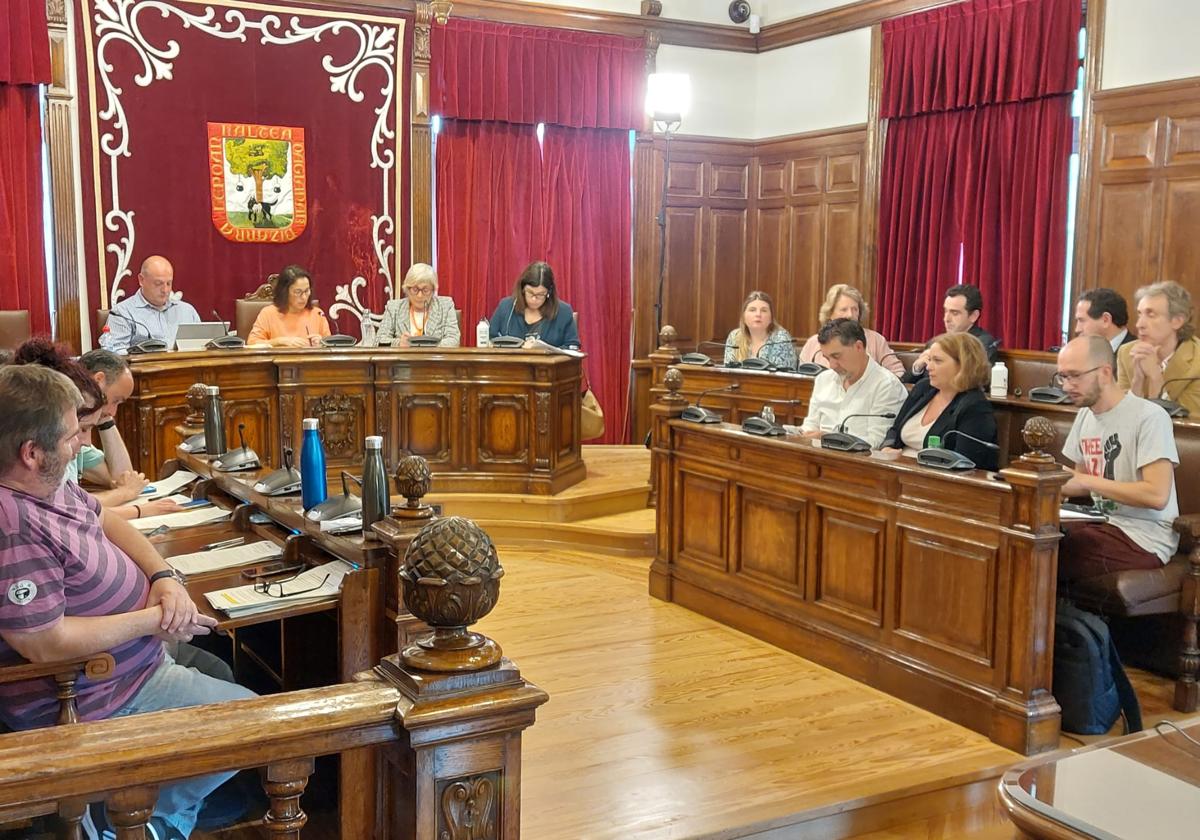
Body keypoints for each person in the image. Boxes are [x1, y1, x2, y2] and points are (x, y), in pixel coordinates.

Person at [0, 365, 255, 839]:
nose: (80, 444)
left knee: (225, 679)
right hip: (92, 691)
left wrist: (163, 576)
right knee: (255, 725)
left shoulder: (47, 483)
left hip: (132, 662)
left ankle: (143, 820)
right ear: (31, 453)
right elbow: (45, 643)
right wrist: (151, 621)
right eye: (71, 434)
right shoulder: (11, 522)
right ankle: (122, 819)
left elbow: (106, 521)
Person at [1056, 335, 1179, 583]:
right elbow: (1080, 482)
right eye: (1062, 377)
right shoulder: (1085, 416)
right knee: (1027, 535)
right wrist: (1043, 481)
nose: (1067, 386)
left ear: (1104, 372)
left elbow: (1156, 496)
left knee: (1052, 550)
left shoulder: (1149, 417)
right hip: (1103, 524)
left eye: (1075, 376)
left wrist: (1085, 479)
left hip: (1144, 537)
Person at [79, 350, 184, 520]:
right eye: (115, 400)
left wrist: (105, 420)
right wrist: (134, 504)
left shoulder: (80, 431)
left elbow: (121, 477)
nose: (114, 412)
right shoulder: (63, 431)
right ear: (98, 380)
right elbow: (71, 508)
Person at [881, 331, 999, 470]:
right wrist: (887, 447)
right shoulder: (923, 388)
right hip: (898, 471)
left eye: (937, 361)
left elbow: (966, 466)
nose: (929, 367)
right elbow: (895, 429)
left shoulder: (975, 408)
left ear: (963, 366)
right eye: (929, 360)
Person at [798, 319, 908, 448]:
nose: (832, 365)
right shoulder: (823, 379)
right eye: (827, 358)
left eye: (837, 356)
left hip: (859, 463)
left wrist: (826, 437)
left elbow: (876, 442)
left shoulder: (886, 386)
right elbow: (810, 425)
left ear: (859, 347)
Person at [1117, 280, 1200, 416]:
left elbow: (1188, 424)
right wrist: (1137, 382)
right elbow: (1122, 417)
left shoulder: (1197, 362)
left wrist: (1155, 377)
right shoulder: (1127, 353)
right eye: (1139, 314)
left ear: (1177, 321)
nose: (1139, 324)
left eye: (1151, 315)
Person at [99, 256, 201, 354]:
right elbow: (114, 354)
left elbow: (202, 346)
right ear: (141, 280)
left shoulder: (187, 311)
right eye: (158, 283)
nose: (165, 290)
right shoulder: (122, 313)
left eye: (169, 283)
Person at [903, 284, 1000, 384]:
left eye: (954, 313)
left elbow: (980, 381)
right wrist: (917, 368)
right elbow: (903, 384)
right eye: (945, 311)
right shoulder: (935, 342)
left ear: (973, 316)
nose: (946, 319)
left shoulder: (982, 344)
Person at [798, 285, 904, 376]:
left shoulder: (875, 340)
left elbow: (898, 372)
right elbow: (800, 376)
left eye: (855, 309)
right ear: (830, 313)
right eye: (844, 309)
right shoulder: (814, 342)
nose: (850, 315)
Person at [489, 261, 580, 348]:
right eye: (530, 292)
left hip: (548, 364)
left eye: (540, 294)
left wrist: (544, 351)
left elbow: (572, 347)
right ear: (522, 289)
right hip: (510, 363)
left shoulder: (563, 312)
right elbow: (490, 337)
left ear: (549, 293)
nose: (534, 299)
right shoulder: (506, 307)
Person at [247, 265, 332, 348]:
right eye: (298, 292)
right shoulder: (268, 313)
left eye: (306, 291)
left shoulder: (317, 314)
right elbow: (252, 344)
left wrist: (322, 342)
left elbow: (329, 346)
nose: (304, 297)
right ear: (285, 292)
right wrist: (279, 342)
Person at [376, 263, 461, 347]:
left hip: (435, 359)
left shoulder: (445, 306)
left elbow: (454, 340)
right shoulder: (394, 308)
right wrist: (398, 343)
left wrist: (428, 345)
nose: (420, 295)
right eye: (415, 289)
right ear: (407, 289)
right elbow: (378, 341)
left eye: (425, 290)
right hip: (403, 360)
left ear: (433, 290)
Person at [722, 291, 798, 369]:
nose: (758, 314)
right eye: (752, 310)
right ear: (743, 316)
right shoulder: (735, 336)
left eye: (764, 310)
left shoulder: (781, 338)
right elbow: (729, 371)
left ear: (771, 317)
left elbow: (782, 377)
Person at [1075, 288, 1135, 352]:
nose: (1077, 329)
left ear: (1106, 320)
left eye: (1081, 320)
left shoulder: (1137, 355)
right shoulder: (1084, 352)